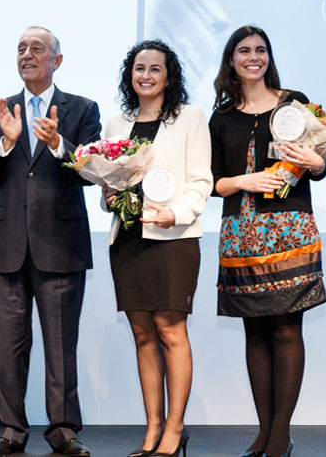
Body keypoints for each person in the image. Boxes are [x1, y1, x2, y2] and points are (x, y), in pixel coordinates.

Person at [0, 26, 100, 457]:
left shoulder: (82, 109)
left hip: (60, 244)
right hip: (8, 244)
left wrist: (60, 143)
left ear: (56, 60)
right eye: (21, 49)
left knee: (61, 344)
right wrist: (6, 142)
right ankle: (10, 430)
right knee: (8, 348)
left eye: (37, 49)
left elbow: (94, 170)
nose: (27, 54)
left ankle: (63, 429)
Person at [210, 26, 326, 457]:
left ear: (268, 57)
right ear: (232, 61)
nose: (253, 57)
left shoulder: (295, 102)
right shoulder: (221, 117)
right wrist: (243, 179)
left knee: (286, 328)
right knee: (254, 332)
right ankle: (263, 432)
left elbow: (319, 163)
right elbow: (212, 182)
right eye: (244, 51)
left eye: (260, 50)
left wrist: (317, 163)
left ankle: (281, 434)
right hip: (241, 235)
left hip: (291, 231)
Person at [102, 40, 212, 457]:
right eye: (138, 68)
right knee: (142, 334)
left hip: (173, 239)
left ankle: (174, 429)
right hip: (128, 238)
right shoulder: (117, 122)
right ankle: (152, 429)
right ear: (130, 75)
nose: (145, 76)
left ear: (170, 76)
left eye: (155, 69)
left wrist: (177, 213)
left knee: (170, 331)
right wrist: (109, 196)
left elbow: (201, 180)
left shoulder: (189, 117)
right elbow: (109, 180)